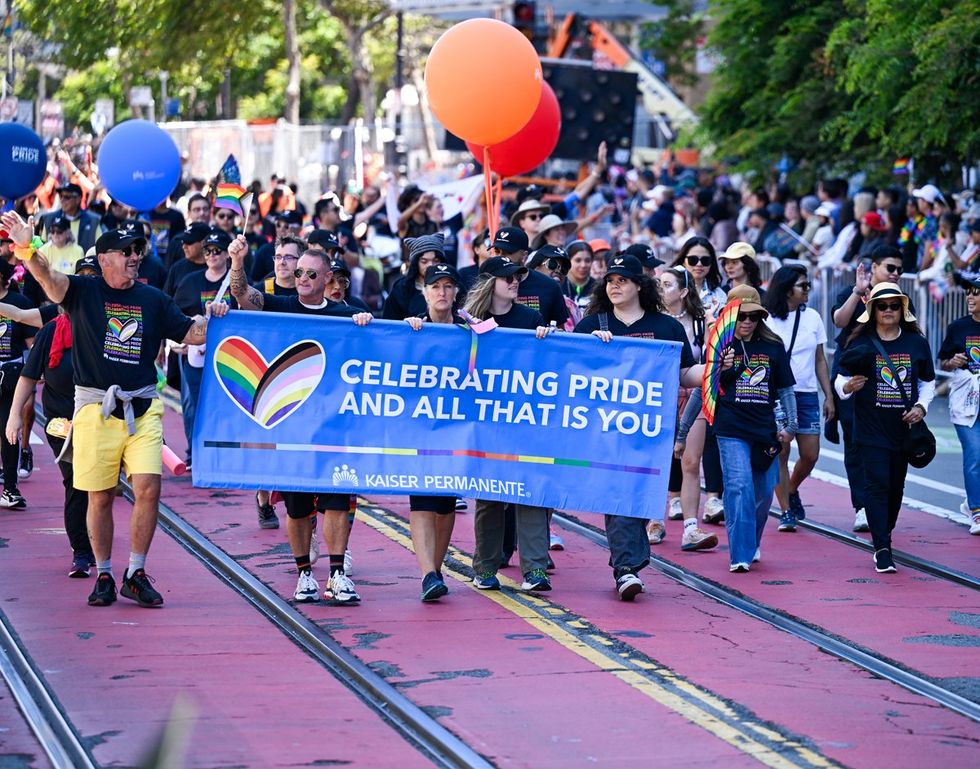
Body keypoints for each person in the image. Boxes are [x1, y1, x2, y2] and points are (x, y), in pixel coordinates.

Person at [1, 211, 214, 608]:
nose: (136, 256)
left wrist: (216, 318)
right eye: (126, 251)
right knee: (99, 496)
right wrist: (26, 246)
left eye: (138, 250)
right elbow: (48, 279)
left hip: (143, 406)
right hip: (95, 409)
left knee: (148, 486)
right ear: (104, 259)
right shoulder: (83, 291)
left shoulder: (152, 298)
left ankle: (135, 572)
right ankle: (103, 572)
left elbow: (189, 332)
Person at [227, 235, 364, 605]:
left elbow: (380, 343)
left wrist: (365, 322)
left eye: (310, 273)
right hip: (289, 424)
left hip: (335, 426)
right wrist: (237, 263)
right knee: (298, 507)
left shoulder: (345, 314)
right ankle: (304, 574)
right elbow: (243, 296)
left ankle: (337, 574)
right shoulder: (280, 305)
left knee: (337, 502)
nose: (301, 277)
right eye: (299, 271)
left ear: (326, 278)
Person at [574, 254, 704, 600]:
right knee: (617, 492)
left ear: (639, 286)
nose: (615, 286)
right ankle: (626, 568)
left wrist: (712, 370)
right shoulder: (590, 326)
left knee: (639, 494)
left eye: (623, 280)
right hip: (606, 429)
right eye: (611, 280)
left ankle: (630, 561)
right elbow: (570, 371)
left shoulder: (667, 328)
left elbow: (684, 374)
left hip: (650, 429)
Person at [462, 257, 557, 592]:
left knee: (528, 489)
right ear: (490, 282)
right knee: (489, 496)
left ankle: (534, 568)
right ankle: (485, 566)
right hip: (485, 419)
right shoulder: (469, 320)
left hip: (523, 416)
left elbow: (547, 362)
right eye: (507, 277)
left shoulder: (530, 318)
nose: (515, 281)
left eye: (517, 276)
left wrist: (548, 338)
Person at [374, 263, 466, 600]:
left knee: (445, 504)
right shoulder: (411, 329)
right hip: (419, 429)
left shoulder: (470, 329)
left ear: (456, 292)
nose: (442, 292)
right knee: (422, 500)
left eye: (448, 286)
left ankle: (436, 568)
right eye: (435, 286)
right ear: (424, 292)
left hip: (456, 430)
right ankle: (427, 573)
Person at [5, 259, 100, 576]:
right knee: (76, 483)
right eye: (80, 280)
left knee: (99, 486)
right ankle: (82, 554)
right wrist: (15, 416)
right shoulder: (50, 330)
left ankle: (102, 546)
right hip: (63, 423)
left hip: (102, 421)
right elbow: (29, 377)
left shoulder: (109, 328)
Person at [835, 283, 935, 573]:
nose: (889, 310)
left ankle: (884, 531)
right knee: (876, 485)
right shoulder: (861, 341)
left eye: (894, 305)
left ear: (902, 309)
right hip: (870, 428)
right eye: (882, 306)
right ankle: (882, 547)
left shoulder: (916, 343)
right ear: (873, 310)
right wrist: (847, 386)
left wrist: (921, 407)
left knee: (895, 487)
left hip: (903, 431)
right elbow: (839, 377)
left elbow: (927, 382)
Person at [713, 285, 797, 572]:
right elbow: (706, 390)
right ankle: (739, 554)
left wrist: (791, 424)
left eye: (754, 316)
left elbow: (786, 388)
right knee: (739, 487)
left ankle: (751, 541)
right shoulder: (719, 345)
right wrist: (721, 370)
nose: (747, 321)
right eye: (741, 315)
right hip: (730, 427)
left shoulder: (773, 346)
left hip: (764, 429)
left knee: (762, 494)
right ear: (729, 315)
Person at [831, 245, 913, 531]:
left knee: (887, 441)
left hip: (888, 378)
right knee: (855, 440)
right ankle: (863, 505)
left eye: (899, 270)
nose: (895, 274)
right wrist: (858, 293)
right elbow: (839, 322)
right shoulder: (851, 292)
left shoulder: (901, 299)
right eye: (890, 268)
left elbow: (913, 337)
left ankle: (881, 501)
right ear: (875, 267)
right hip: (852, 375)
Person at [763, 265, 833, 531]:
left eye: (808, 285)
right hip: (777, 394)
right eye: (803, 285)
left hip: (805, 392)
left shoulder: (813, 317)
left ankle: (790, 489)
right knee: (781, 452)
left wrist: (829, 396)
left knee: (810, 454)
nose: (807, 290)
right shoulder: (767, 318)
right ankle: (786, 511)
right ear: (786, 288)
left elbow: (819, 359)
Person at [653, 267, 717, 552]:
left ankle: (691, 527)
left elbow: (707, 359)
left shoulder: (701, 323)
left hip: (693, 395)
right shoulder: (652, 322)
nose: (661, 289)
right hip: (660, 396)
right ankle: (655, 520)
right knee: (658, 460)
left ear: (683, 292)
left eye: (667, 284)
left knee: (691, 461)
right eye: (658, 284)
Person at [171, 229, 236, 469]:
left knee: (227, 404)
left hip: (229, 354)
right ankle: (195, 454)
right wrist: (177, 341)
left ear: (227, 254)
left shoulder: (237, 282)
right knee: (192, 404)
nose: (211, 255)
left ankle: (222, 454)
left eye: (217, 251)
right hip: (194, 353)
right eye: (207, 250)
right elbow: (174, 314)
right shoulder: (190, 282)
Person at [938, 275, 980, 535]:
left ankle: (971, 500)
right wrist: (951, 362)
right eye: (969, 293)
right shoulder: (958, 327)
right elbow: (942, 361)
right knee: (974, 453)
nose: (970, 298)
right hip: (966, 401)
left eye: (976, 293)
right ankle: (976, 511)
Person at [0, 260, 37, 509]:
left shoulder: (19, 303)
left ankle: (10, 487)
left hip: (10, 373)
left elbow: (33, 344)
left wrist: (38, 370)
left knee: (8, 429)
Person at [490, 226, 569, 328]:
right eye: (497, 251)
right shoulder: (486, 281)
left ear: (524, 256)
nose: (500, 257)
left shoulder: (549, 286)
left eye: (507, 252)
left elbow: (560, 331)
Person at [383, 234, 446, 321]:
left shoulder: (451, 286)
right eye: (424, 261)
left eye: (436, 261)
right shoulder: (402, 288)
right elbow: (389, 322)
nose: (430, 265)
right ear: (415, 263)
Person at [672, 236, 726, 318]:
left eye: (705, 260)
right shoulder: (671, 289)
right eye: (693, 259)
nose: (699, 264)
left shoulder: (719, 295)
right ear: (683, 261)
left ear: (711, 263)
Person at [41, 183, 100, 252]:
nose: (62, 200)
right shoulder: (49, 219)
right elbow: (42, 245)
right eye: (61, 196)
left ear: (78, 200)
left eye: (67, 197)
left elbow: (100, 246)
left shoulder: (93, 221)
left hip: (84, 262)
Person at [562, 240, 596, 313]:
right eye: (578, 260)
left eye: (587, 260)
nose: (583, 265)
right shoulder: (559, 285)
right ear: (568, 261)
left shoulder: (598, 287)